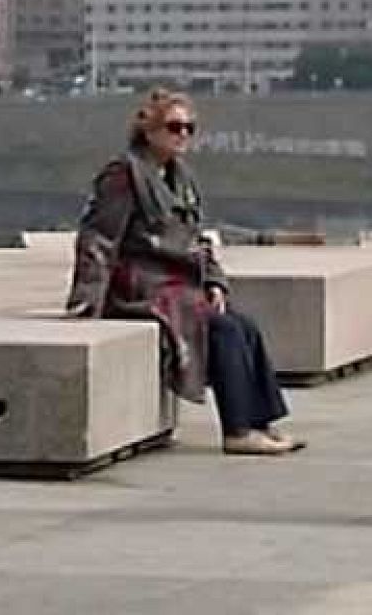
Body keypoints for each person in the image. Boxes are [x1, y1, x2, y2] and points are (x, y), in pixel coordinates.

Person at [65, 88, 304, 455]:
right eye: (175, 127)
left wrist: (215, 282)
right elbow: (98, 239)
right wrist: (86, 305)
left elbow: (198, 239)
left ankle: (260, 422)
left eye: (190, 128)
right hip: (142, 286)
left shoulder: (181, 178)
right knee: (221, 330)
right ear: (150, 131)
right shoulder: (124, 175)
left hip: (180, 282)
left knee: (243, 325)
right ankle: (237, 430)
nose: (184, 135)